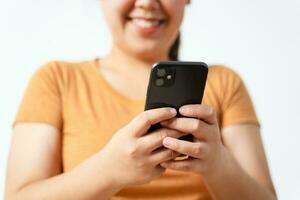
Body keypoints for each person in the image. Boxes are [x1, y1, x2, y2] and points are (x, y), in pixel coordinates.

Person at [5, 0, 277, 199]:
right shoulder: (57, 80)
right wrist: (109, 170)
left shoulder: (224, 83)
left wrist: (218, 165)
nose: (147, 3)